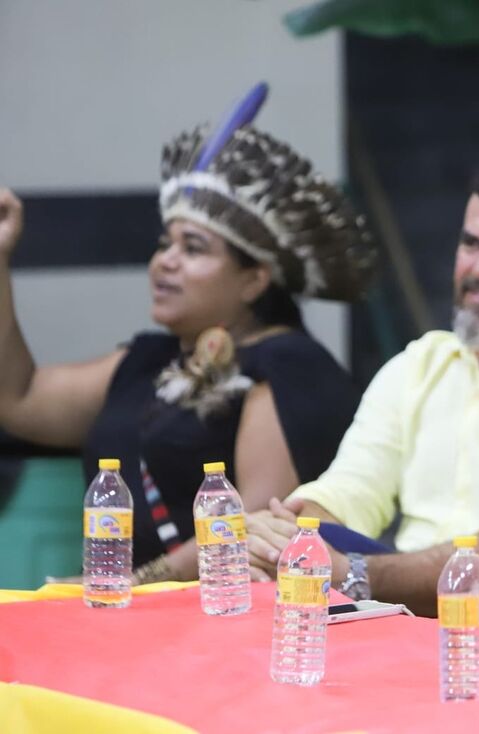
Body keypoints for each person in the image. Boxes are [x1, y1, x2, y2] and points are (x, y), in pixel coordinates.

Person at [0, 117, 374, 583]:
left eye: (193, 248)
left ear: (254, 279)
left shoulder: (288, 365)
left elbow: (253, 530)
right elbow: (17, 398)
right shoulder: (148, 360)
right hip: (116, 606)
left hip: (211, 619)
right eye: (164, 244)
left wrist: (135, 581)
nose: (165, 261)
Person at [246, 158, 479, 616]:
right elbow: (349, 491)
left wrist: (349, 573)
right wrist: (285, 536)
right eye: (470, 244)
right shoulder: (421, 363)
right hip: (391, 611)